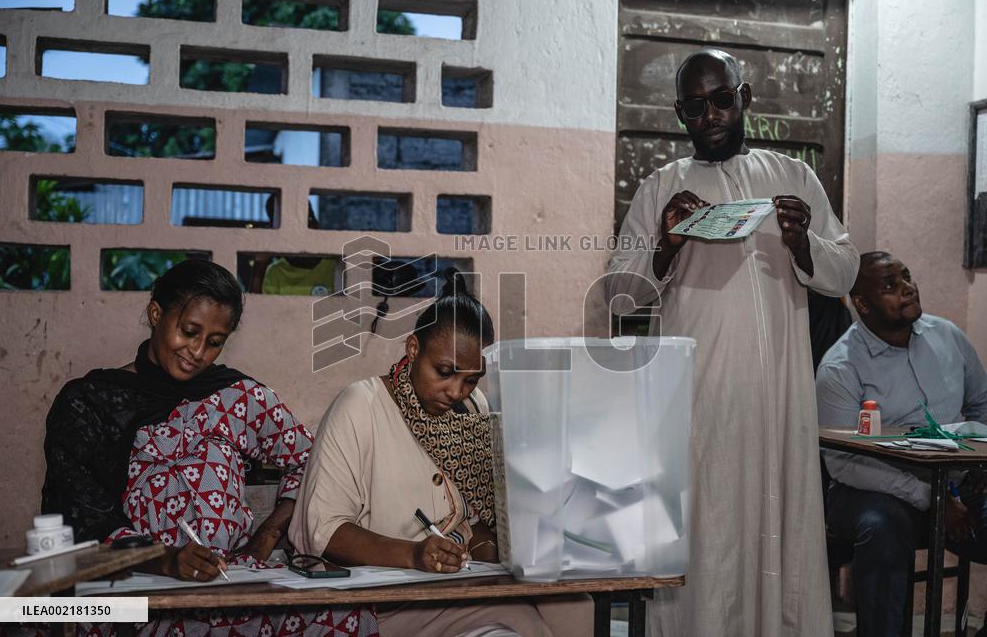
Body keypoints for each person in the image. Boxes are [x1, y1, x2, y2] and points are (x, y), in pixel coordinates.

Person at [605, 48, 859, 637]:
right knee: (710, 534)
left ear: (744, 98)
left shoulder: (795, 177)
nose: (710, 115)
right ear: (679, 113)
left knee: (783, 530)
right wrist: (665, 245)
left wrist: (803, 247)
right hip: (701, 401)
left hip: (781, 404)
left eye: (721, 99)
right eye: (694, 106)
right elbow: (620, 295)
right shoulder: (660, 187)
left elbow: (845, 271)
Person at [41, 259, 376, 637]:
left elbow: (313, 460)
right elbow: (81, 514)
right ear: (156, 314)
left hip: (227, 581)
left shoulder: (236, 396)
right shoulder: (92, 402)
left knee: (348, 615)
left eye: (214, 342)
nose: (198, 352)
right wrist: (165, 560)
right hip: (134, 583)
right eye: (188, 331)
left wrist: (265, 536)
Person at [290, 272, 593, 637]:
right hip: (381, 597)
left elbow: (480, 514)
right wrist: (415, 555)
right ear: (413, 349)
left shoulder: (473, 407)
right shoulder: (361, 405)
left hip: (457, 584)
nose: (455, 391)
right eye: (445, 372)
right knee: (518, 617)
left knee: (575, 603)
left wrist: (486, 544)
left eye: (470, 379)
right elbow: (326, 532)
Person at [816, 251, 987, 636]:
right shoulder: (840, 367)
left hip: (956, 485)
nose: (907, 289)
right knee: (882, 527)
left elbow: (982, 404)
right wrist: (936, 499)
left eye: (907, 277)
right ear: (862, 303)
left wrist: (980, 471)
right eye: (890, 286)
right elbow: (845, 461)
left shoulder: (948, 337)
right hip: (870, 489)